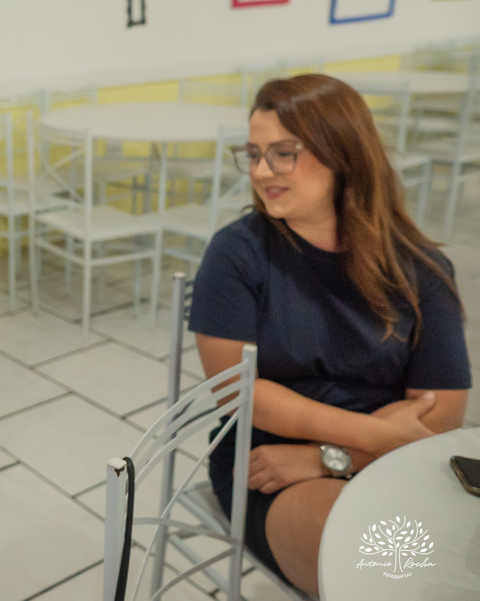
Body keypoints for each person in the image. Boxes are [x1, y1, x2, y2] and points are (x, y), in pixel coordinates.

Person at [189, 74, 471, 595]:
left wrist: (327, 455)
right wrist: (375, 438)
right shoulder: (237, 254)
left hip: (379, 459)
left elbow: (443, 409)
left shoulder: (421, 268)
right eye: (253, 154)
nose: (261, 170)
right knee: (390, 568)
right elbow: (237, 392)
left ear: (341, 154)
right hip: (267, 467)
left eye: (283, 153)